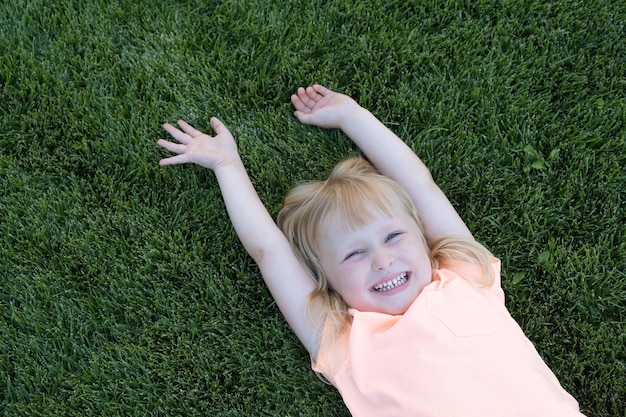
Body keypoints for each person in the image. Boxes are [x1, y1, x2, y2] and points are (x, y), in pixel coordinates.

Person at [157, 84, 585, 416]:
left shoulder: (465, 277)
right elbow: (270, 251)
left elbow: (421, 185)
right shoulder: (344, 341)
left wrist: (351, 116)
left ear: (422, 235)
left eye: (394, 237)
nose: (383, 260)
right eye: (353, 255)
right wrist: (227, 166)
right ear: (327, 279)